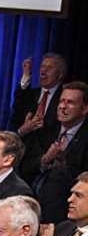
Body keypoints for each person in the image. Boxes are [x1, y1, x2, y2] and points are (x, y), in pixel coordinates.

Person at [21, 80, 87, 227]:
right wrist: (44, 160)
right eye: (61, 101)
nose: (62, 106)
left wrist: (64, 164)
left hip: (63, 217)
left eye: (70, 102)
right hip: (30, 208)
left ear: (84, 109)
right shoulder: (46, 132)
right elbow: (25, 167)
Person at [10, 53, 66, 138]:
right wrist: (26, 76)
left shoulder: (65, 97)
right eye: (43, 66)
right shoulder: (32, 94)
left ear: (60, 75)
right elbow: (17, 111)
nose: (44, 70)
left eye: (49, 68)